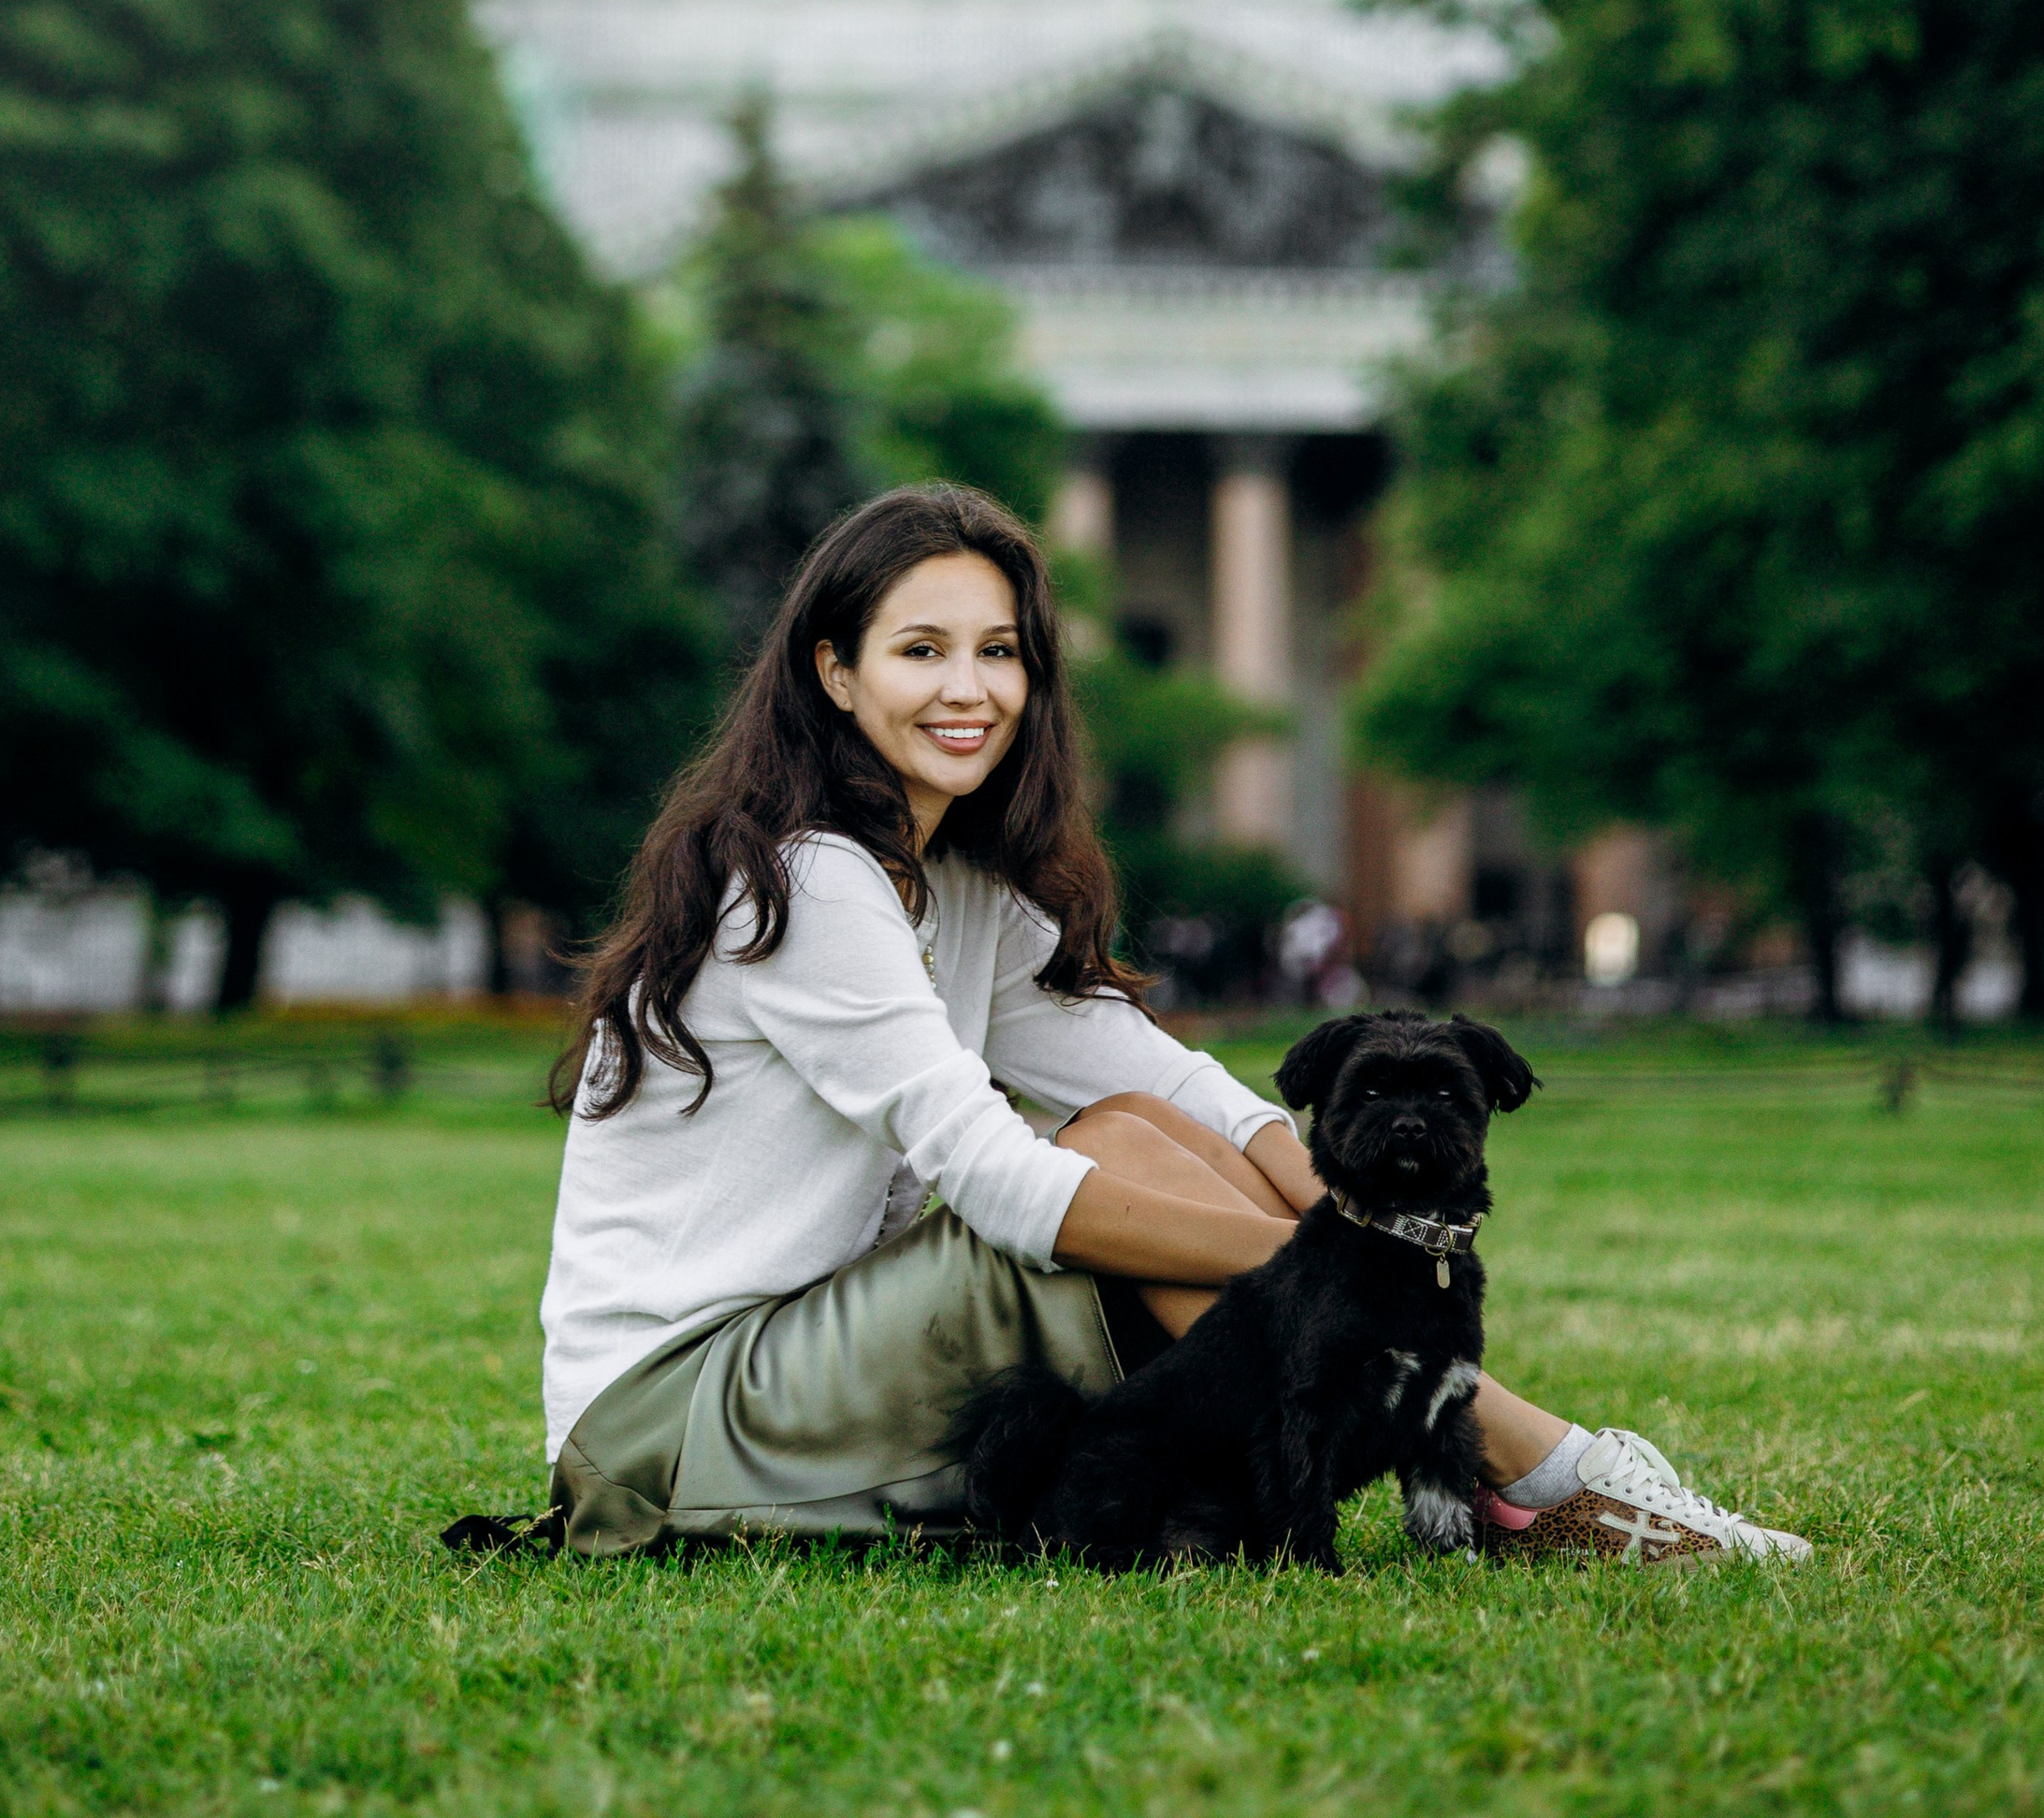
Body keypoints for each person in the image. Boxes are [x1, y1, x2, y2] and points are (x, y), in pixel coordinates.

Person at [528, 484, 1808, 1564]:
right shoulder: (805, 880)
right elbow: (995, 1172)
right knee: (1121, 1163)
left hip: (814, 1364)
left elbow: (1198, 1095)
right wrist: (1322, 1269)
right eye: (920, 649)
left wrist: (1356, 1233)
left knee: (1143, 1120)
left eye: (1000, 649)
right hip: (669, 1423)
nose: (967, 686)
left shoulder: (960, 884)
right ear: (835, 670)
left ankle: (1491, 1463)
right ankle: (1544, 1470)